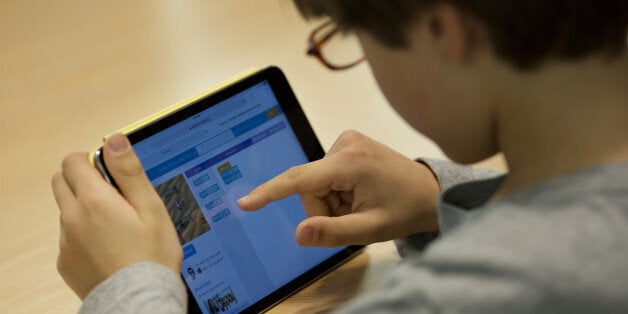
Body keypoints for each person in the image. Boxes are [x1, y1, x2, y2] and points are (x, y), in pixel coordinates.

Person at [52, 0, 628, 313]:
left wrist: (126, 285)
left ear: (441, 28)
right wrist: (438, 198)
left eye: (353, 39)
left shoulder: (459, 294)